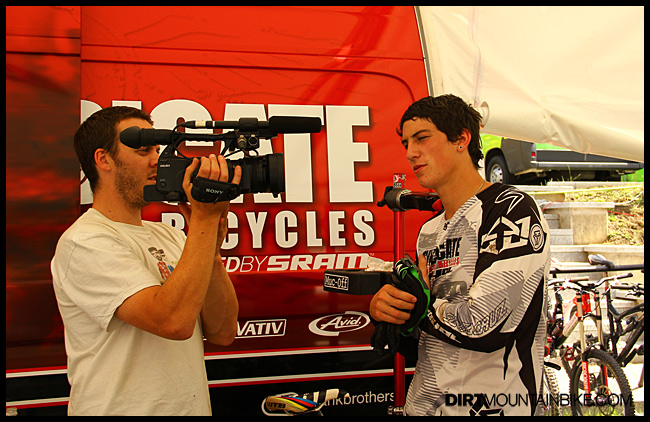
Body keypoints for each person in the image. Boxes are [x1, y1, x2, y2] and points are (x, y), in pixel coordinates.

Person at [51, 106, 241, 415]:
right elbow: (173, 322)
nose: (157, 160)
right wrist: (204, 220)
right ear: (103, 160)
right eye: (143, 151)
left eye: (156, 149)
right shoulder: (84, 241)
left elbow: (223, 332)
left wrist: (212, 250)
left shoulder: (171, 235)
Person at [369, 95, 550, 416]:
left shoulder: (511, 209)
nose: (410, 153)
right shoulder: (429, 231)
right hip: (423, 407)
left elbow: (485, 324)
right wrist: (394, 313)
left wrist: (420, 308)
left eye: (422, 138)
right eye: (406, 143)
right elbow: (427, 343)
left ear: (461, 139)